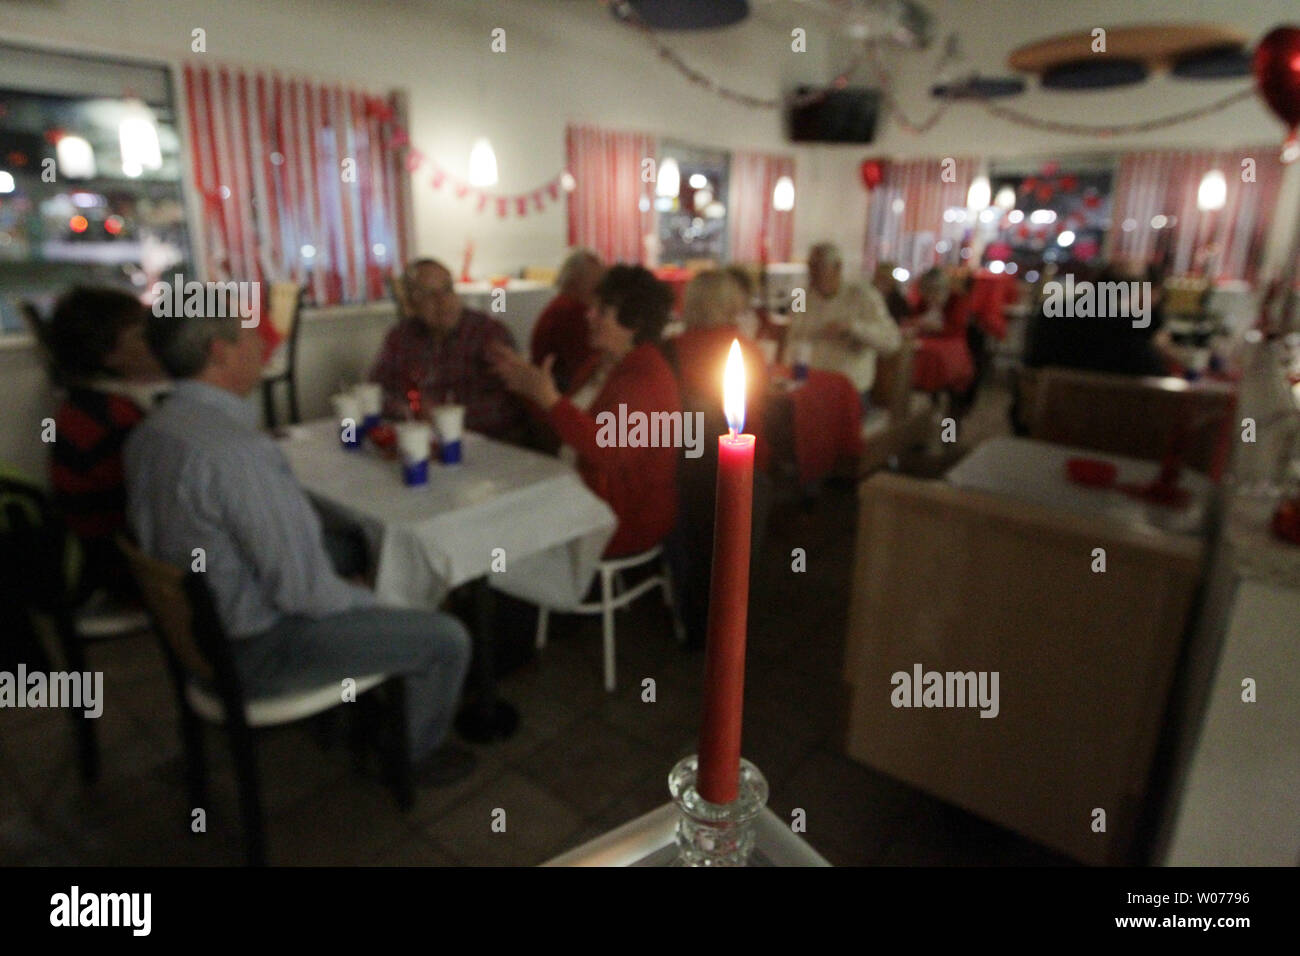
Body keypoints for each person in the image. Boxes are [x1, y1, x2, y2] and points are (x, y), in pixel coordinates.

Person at [125, 301, 474, 785]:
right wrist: (375, 597)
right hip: (254, 646)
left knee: (351, 545)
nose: (263, 344)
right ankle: (413, 755)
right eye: (251, 334)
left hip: (201, 623)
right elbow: (303, 594)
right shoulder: (237, 452)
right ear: (220, 352)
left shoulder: (149, 433)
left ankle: (368, 676)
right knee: (446, 638)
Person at [489, 264, 680, 558]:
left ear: (634, 323)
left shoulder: (647, 377)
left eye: (602, 310)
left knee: (504, 525)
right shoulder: (600, 364)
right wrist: (528, 386)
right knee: (500, 508)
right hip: (583, 491)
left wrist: (550, 399)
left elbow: (608, 451)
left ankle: (513, 594)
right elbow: (565, 427)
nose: (589, 315)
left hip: (622, 514)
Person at [43, 287, 170, 603]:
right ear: (109, 356)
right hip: (125, 570)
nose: (156, 341)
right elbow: (167, 503)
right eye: (142, 335)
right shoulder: (117, 417)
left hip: (101, 558)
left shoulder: (86, 402)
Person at [370, 258, 525, 439]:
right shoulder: (401, 337)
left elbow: (510, 405)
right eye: (428, 294)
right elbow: (376, 392)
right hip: (422, 441)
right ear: (411, 305)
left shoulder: (488, 334)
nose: (443, 301)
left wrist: (443, 416)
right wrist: (411, 409)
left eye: (447, 289)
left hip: (486, 446)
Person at [786, 242, 902, 408]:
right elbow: (794, 336)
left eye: (820, 267)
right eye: (811, 267)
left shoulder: (863, 296)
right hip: (809, 384)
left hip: (849, 390)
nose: (814, 273)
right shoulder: (801, 296)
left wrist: (853, 329)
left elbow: (892, 341)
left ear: (838, 267)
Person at [530, 248, 603, 394]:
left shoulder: (561, 306)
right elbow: (585, 366)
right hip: (559, 394)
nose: (599, 289)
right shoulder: (572, 313)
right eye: (595, 282)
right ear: (575, 280)